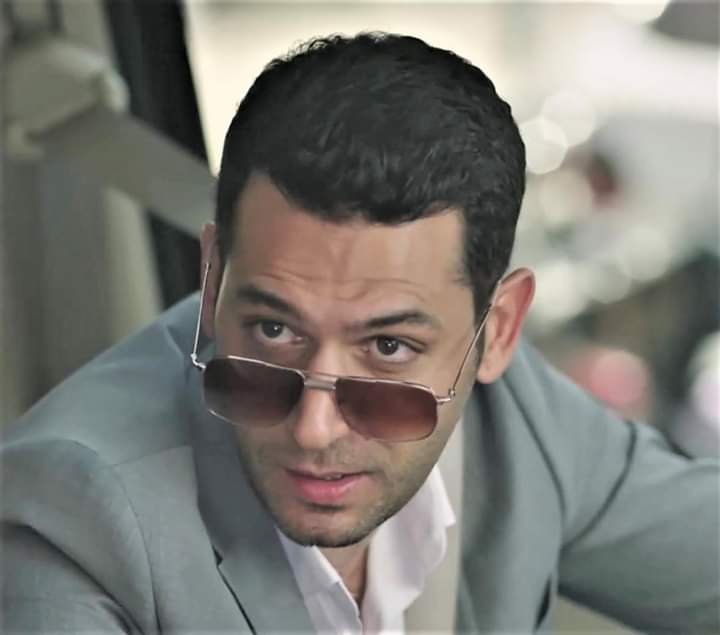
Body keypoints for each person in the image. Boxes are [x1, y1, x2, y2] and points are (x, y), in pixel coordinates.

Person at [2, 32, 718, 634]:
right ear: (213, 279)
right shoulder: (75, 521)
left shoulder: (517, 418)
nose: (313, 428)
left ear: (497, 331)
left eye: (387, 348)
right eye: (274, 329)